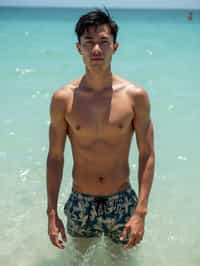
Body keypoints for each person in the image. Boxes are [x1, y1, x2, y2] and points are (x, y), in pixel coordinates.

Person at [46, 8, 155, 253]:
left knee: (124, 261)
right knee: (78, 259)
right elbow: (55, 157)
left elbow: (147, 154)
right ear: (79, 48)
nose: (96, 49)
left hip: (122, 201)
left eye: (103, 42)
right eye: (89, 42)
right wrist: (51, 213)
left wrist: (141, 211)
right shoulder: (63, 99)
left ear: (115, 47)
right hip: (81, 201)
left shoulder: (135, 97)